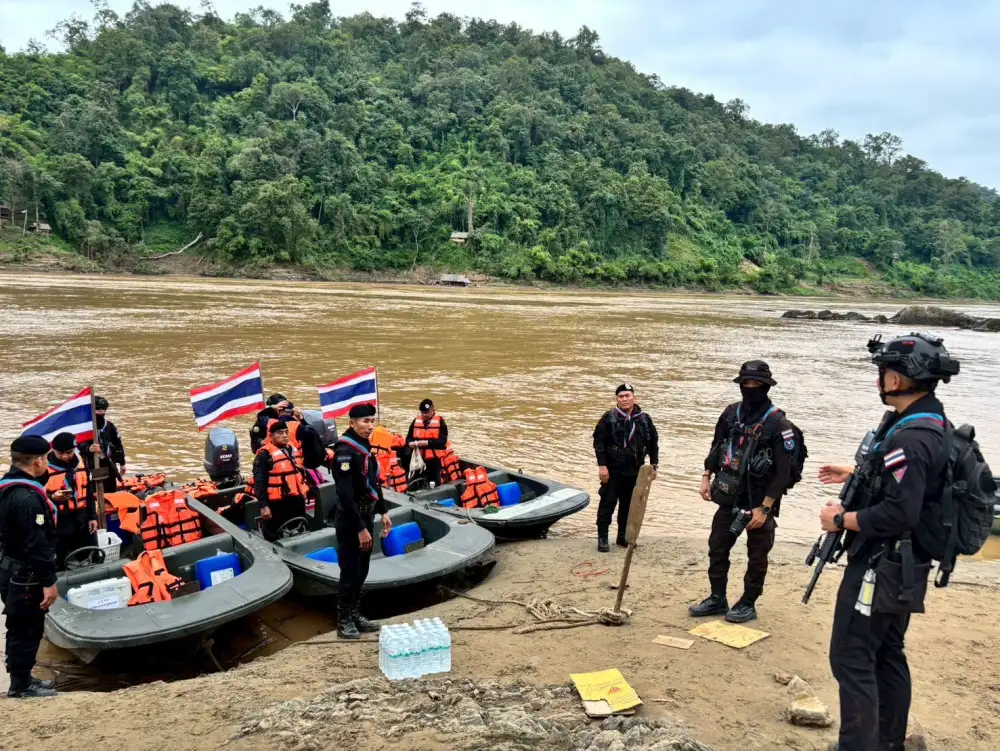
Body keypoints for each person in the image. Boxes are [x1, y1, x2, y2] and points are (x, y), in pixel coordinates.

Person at [818, 334, 958, 751]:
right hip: (907, 564)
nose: (879, 380)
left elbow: (900, 512)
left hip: (882, 565)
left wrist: (840, 519)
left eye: (883, 372)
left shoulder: (910, 438)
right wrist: (857, 471)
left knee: (850, 658)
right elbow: (916, 483)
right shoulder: (931, 422)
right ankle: (889, 743)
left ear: (895, 379)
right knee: (887, 652)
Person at [691, 361, 795, 624]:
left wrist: (766, 507)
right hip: (729, 496)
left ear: (766, 386)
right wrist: (706, 477)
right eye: (745, 384)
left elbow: (783, 474)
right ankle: (717, 598)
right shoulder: (729, 414)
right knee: (717, 549)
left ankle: (748, 603)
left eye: (756, 384)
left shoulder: (779, 424)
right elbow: (716, 447)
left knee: (757, 556)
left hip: (760, 502)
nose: (750, 389)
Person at [0, 435, 60, 698]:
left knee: (16, 624)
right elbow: (37, 545)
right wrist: (49, 581)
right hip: (26, 573)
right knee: (27, 627)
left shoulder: (7, 487)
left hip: (7, 566)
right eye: (46, 459)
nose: (47, 463)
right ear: (38, 461)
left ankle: (18, 674)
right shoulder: (28, 499)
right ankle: (21, 686)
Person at [331, 403, 391, 640]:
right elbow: (344, 494)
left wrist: (383, 511)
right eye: (365, 421)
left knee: (363, 569)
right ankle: (343, 620)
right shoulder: (345, 452)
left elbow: (374, 482)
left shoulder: (364, 448)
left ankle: (356, 613)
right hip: (350, 520)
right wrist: (360, 528)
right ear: (352, 423)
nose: (369, 426)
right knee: (350, 570)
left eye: (371, 421)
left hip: (367, 514)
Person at [592, 384, 659, 553]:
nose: (624, 399)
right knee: (607, 504)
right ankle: (602, 538)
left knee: (628, 506)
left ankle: (622, 537)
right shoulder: (608, 418)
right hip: (612, 470)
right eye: (621, 396)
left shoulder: (644, 419)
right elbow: (598, 442)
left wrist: (654, 466)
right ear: (617, 399)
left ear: (634, 398)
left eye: (627, 395)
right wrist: (602, 466)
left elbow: (653, 443)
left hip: (634, 470)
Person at [45, 432, 97, 569]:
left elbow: (89, 490)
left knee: (90, 556)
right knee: (58, 561)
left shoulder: (80, 462)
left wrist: (93, 517)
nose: (65, 456)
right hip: (58, 522)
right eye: (60, 453)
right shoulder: (43, 468)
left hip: (81, 519)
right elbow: (35, 496)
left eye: (69, 452)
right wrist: (52, 498)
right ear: (53, 450)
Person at [251, 421, 309, 542]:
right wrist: (264, 506)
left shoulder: (294, 449)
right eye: (280, 433)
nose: (284, 435)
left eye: (286, 432)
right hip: (275, 504)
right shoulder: (264, 455)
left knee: (299, 529)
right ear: (271, 436)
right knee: (273, 535)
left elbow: (300, 474)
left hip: (296, 500)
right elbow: (259, 482)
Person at [77, 396, 124, 494]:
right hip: (90, 464)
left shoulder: (110, 426)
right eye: (98, 409)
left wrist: (122, 463)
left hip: (108, 463)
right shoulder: (84, 428)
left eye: (103, 409)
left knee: (110, 490)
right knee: (92, 490)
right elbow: (79, 444)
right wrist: (89, 449)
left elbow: (118, 445)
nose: (101, 411)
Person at [405, 399, 449, 486]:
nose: (425, 415)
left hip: (433, 461)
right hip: (418, 460)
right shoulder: (415, 421)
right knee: (416, 484)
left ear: (433, 411)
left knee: (434, 485)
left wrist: (427, 443)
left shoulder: (440, 422)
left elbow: (442, 442)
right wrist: (410, 443)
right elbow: (408, 438)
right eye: (423, 412)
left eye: (427, 412)